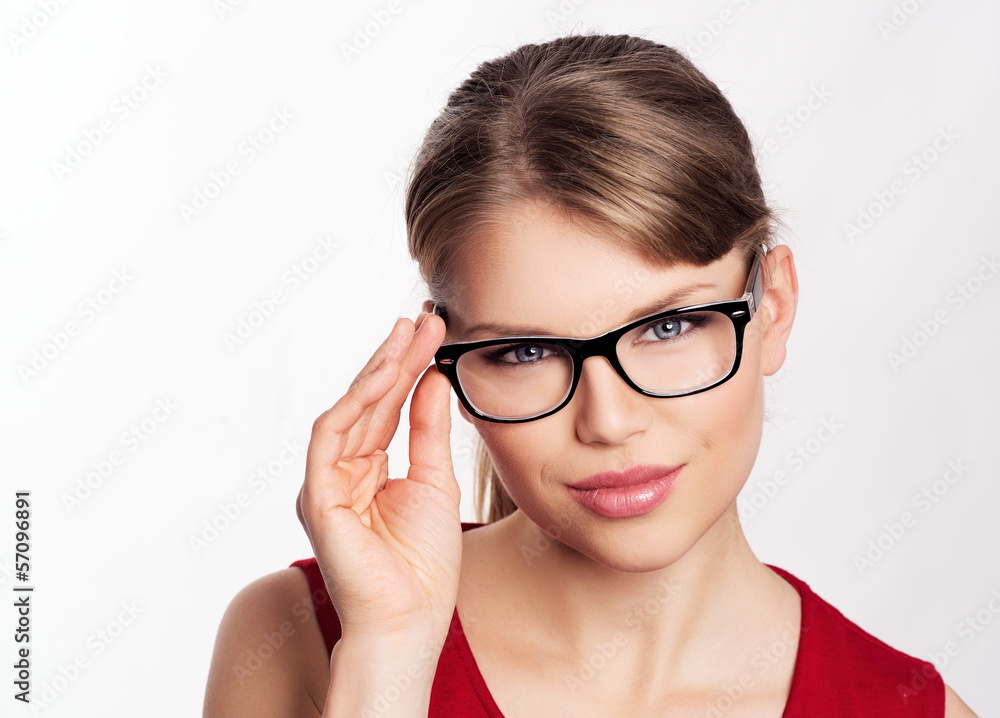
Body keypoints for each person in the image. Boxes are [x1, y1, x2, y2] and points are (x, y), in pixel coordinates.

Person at [202, 33, 978, 717]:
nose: (607, 420)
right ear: (440, 369)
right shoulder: (299, 640)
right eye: (525, 352)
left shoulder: (906, 709)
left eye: (669, 327)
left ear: (771, 308)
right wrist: (390, 660)